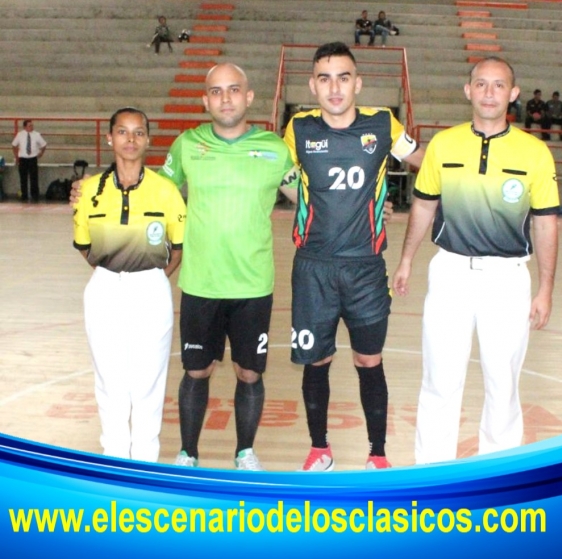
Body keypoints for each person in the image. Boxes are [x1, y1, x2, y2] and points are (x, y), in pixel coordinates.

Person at [392, 56, 559, 464]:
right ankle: (431, 478)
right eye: (481, 84)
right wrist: (407, 260)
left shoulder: (535, 153)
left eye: (498, 85)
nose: (489, 92)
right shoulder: (444, 146)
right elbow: (424, 207)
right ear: (468, 90)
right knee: (440, 381)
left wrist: (546, 288)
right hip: (450, 273)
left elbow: (546, 225)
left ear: (513, 94)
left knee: (503, 384)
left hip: (507, 280)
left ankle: (494, 478)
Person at [284, 42, 424, 471]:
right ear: (312, 85)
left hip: (365, 266)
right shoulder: (298, 128)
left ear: (358, 83)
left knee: (369, 360)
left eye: (343, 77)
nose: (335, 87)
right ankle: (319, 449)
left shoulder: (382, 124)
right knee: (317, 360)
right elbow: (276, 175)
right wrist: (302, 199)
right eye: (324, 79)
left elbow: (425, 162)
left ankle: (377, 455)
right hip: (313, 267)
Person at [160, 64, 298, 470]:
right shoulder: (187, 144)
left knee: (249, 373)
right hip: (200, 282)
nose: (225, 98)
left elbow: (310, 199)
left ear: (249, 96)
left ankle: (245, 453)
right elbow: (157, 192)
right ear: (205, 100)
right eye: (216, 91)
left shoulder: (275, 149)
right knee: (197, 370)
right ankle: (188, 453)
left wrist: (369, 207)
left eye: (233, 89)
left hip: (252, 284)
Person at [73, 107, 186, 462]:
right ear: (110, 138)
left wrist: (147, 277)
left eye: (139, 132)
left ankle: (145, 467)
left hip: (151, 290)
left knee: (149, 385)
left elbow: (177, 250)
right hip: (104, 289)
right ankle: (114, 462)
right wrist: (115, 272)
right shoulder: (89, 191)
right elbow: (85, 247)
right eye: (123, 132)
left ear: (148, 140)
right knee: (110, 383)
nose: (131, 139)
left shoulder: (167, 191)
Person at [11, 120, 47, 203]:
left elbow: (44, 144)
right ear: (25, 127)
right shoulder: (20, 135)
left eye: (32, 125)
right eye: (29, 126)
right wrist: (16, 157)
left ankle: (35, 196)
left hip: (33, 158)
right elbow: (14, 145)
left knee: (34, 178)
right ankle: (24, 196)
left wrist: (41, 153)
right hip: (23, 158)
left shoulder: (36, 135)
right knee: (23, 178)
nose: (31, 127)